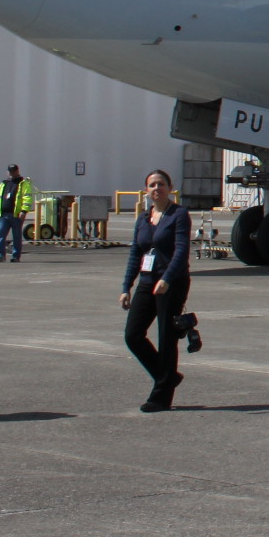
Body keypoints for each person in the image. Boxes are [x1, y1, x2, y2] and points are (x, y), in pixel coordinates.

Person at [120, 168, 193, 413]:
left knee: (166, 338)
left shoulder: (179, 214)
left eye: (161, 184)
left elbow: (182, 250)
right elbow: (135, 254)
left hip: (171, 282)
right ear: (146, 190)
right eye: (152, 185)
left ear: (170, 189)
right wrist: (126, 287)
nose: (156, 189)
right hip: (147, 281)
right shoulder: (143, 218)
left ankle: (161, 397)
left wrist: (168, 279)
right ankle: (167, 377)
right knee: (133, 335)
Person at [0, 163, 33, 263]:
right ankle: (0, 255)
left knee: (16, 236)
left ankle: (15, 256)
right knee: (1, 235)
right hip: (3, 214)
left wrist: (23, 211)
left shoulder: (23, 183)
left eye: (13, 171)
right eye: (10, 172)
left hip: (16, 215)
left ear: (17, 171)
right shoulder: (4, 183)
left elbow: (27, 198)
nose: (11, 174)